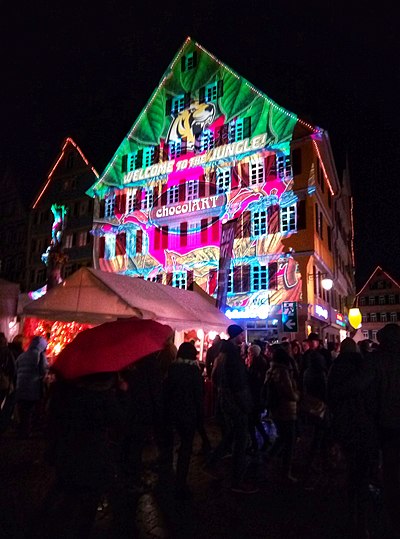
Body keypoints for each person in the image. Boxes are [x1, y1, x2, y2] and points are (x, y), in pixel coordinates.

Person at [38, 372, 125, 538]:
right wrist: (122, 393)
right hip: (95, 456)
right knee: (88, 504)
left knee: (69, 499)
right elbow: (120, 422)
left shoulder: (69, 394)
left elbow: (54, 421)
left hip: (69, 453)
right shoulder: (104, 398)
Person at [327, 337, 377, 539]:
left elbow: (330, 395)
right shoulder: (363, 366)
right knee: (362, 468)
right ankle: (361, 518)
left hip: (344, 423)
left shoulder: (335, 367)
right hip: (363, 424)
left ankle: (350, 512)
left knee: (351, 465)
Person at [205, 324, 258, 494]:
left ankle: (211, 463)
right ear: (237, 335)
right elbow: (238, 384)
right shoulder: (233, 356)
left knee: (231, 435)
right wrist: (246, 404)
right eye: (242, 334)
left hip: (226, 400)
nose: (244, 337)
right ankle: (237, 480)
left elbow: (216, 377)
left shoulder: (223, 353)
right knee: (240, 439)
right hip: (235, 402)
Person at [164, 342, 205, 499]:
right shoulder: (194, 371)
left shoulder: (172, 369)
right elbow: (198, 395)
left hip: (171, 412)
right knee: (186, 447)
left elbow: (166, 392)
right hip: (188, 413)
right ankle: (180, 481)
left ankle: (166, 474)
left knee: (169, 444)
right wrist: (200, 416)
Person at [372, 323, 400, 538]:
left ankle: (392, 517)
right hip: (389, 421)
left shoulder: (378, 361)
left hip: (387, 422)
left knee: (391, 468)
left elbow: (360, 385)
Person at [264, 345, 300, 483]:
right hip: (286, 409)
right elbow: (289, 392)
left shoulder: (271, 370)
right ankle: (286, 471)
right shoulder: (283, 372)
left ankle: (267, 459)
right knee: (289, 440)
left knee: (282, 437)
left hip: (276, 408)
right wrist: (298, 396)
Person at [15, 335, 48, 439]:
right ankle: (27, 432)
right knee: (32, 411)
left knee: (23, 411)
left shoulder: (22, 355)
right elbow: (43, 371)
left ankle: (21, 431)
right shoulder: (40, 356)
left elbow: (16, 369)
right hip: (33, 388)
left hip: (20, 387)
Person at [246, 344, 269, 454]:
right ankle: (261, 441)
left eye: (249, 353)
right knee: (254, 421)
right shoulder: (261, 362)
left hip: (255, 397)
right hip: (257, 397)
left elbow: (254, 381)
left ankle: (256, 444)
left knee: (252, 421)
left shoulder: (256, 365)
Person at [0, 332, 17, 433]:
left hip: (3, 381)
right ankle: (2, 425)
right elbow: (13, 369)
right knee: (5, 404)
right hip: (3, 382)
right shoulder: (6, 352)